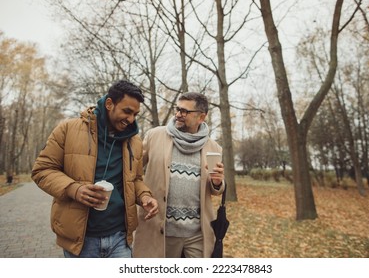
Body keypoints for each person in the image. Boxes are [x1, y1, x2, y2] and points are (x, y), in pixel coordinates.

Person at [31, 80, 159, 258]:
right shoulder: (68, 129)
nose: (131, 119)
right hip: (81, 240)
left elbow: (135, 179)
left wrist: (145, 196)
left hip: (120, 238)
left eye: (135, 114)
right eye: (127, 111)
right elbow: (42, 170)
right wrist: (74, 189)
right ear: (109, 104)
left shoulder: (134, 141)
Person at [133, 92, 225, 258]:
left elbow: (215, 190)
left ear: (201, 117)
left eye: (184, 111)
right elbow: (133, 171)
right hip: (160, 229)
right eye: (177, 109)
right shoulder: (155, 136)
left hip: (197, 234)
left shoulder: (214, 148)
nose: (178, 115)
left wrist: (218, 183)